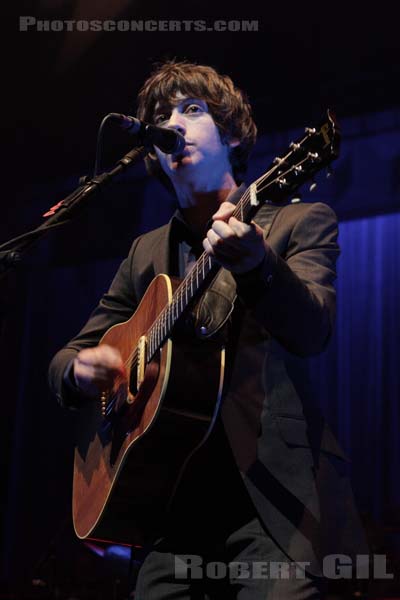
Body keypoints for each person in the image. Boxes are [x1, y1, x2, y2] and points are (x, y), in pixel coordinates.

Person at [49, 61, 366, 599]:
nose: (172, 122)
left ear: (234, 134)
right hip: (168, 513)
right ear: (152, 153)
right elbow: (69, 355)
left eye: (190, 110)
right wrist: (81, 371)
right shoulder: (145, 253)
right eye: (160, 118)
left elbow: (312, 332)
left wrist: (258, 265)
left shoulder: (296, 221)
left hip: (276, 509)